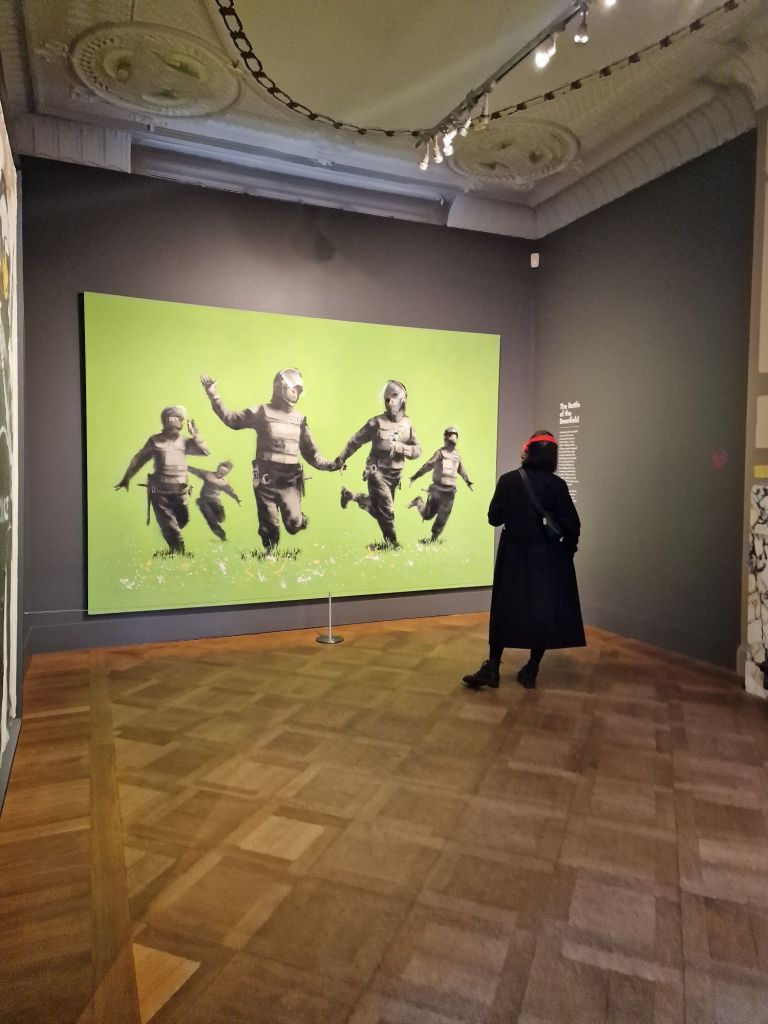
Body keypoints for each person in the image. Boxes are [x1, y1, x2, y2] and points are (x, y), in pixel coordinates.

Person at [463, 430, 585, 690]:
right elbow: (572, 524)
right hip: (547, 557)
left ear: (528, 451)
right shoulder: (557, 485)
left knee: (504, 608)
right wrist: (568, 551)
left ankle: (492, 668)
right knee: (541, 611)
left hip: (513, 554)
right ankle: (531, 670)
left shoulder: (509, 480)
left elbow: (494, 518)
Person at [200, 369, 337, 550]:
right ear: (281, 387)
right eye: (293, 388)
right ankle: (269, 553)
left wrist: (330, 465)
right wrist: (213, 395)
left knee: (294, 524)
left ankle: (298, 521)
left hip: (291, 478)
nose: (296, 393)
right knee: (269, 522)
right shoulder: (260, 412)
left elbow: (311, 453)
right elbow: (232, 419)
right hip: (266, 475)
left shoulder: (300, 419)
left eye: (298, 390)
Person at [335, 380, 421, 547]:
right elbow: (356, 441)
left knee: (380, 511)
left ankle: (352, 496)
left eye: (394, 395)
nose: (390, 400)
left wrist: (401, 448)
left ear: (404, 398)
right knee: (387, 511)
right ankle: (393, 545)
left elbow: (418, 450)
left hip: (395, 475)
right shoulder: (376, 423)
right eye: (387, 397)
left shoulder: (408, 424)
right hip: (377, 472)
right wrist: (342, 458)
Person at [115, 405, 209, 554]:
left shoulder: (185, 442)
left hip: (180, 492)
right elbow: (139, 459)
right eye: (177, 418)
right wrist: (126, 478)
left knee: (183, 520)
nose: (180, 421)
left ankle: (174, 538)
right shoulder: (154, 441)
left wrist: (195, 433)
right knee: (170, 526)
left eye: (181, 419)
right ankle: (178, 551)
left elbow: (205, 451)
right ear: (167, 420)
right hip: (159, 492)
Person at [408, 426, 473, 542]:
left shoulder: (457, 455)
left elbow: (461, 469)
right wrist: (415, 476)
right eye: (451, 435)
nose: (454, 438)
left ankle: (433, 539)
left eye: (455, 436)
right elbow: (428, 465)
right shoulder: (440, 453)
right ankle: (418, 502)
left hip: (450, 492)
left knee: (443, 516)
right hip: (437, 490)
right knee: (427, 515)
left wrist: (467, 481)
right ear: (446, 437)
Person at [188, 460, 241, 542]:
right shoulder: (208, 475)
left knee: (221, 519)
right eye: (219, 472)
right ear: (217, 468)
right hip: (204, 502)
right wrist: (186, 467)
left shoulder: (223, 482)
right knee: (211, 521)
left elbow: (229, 490)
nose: (219, 475)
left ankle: (220, 517)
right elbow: (196, 471)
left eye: (222, 474)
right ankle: (223, 537)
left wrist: (236, 497)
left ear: (226, 474)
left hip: (215, 502)